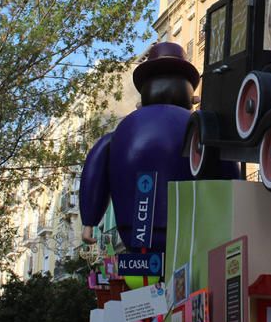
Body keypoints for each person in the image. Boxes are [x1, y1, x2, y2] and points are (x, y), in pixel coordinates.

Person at [78, 42, 237, 249]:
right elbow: (227, 167)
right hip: (189, 231)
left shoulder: (123, 130)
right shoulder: (200, 126)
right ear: (190, 93)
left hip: (134, 231)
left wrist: (89, 221)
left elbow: (95, 169)